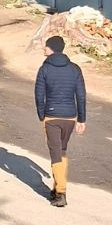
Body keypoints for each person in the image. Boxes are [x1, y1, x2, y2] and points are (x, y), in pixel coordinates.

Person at [34, 35, 86, 207]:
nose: (43, 50)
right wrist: (81, 119)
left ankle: (61, 192)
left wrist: (42, 115)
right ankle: (56, 188)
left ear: (52, 49)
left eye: (45, 47)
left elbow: (39, 94)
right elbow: (81, 95)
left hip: (52, 117)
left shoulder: (44, 69)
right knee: (61, 151)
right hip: (70, 117)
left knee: (56, 152)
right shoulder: (75, 69)